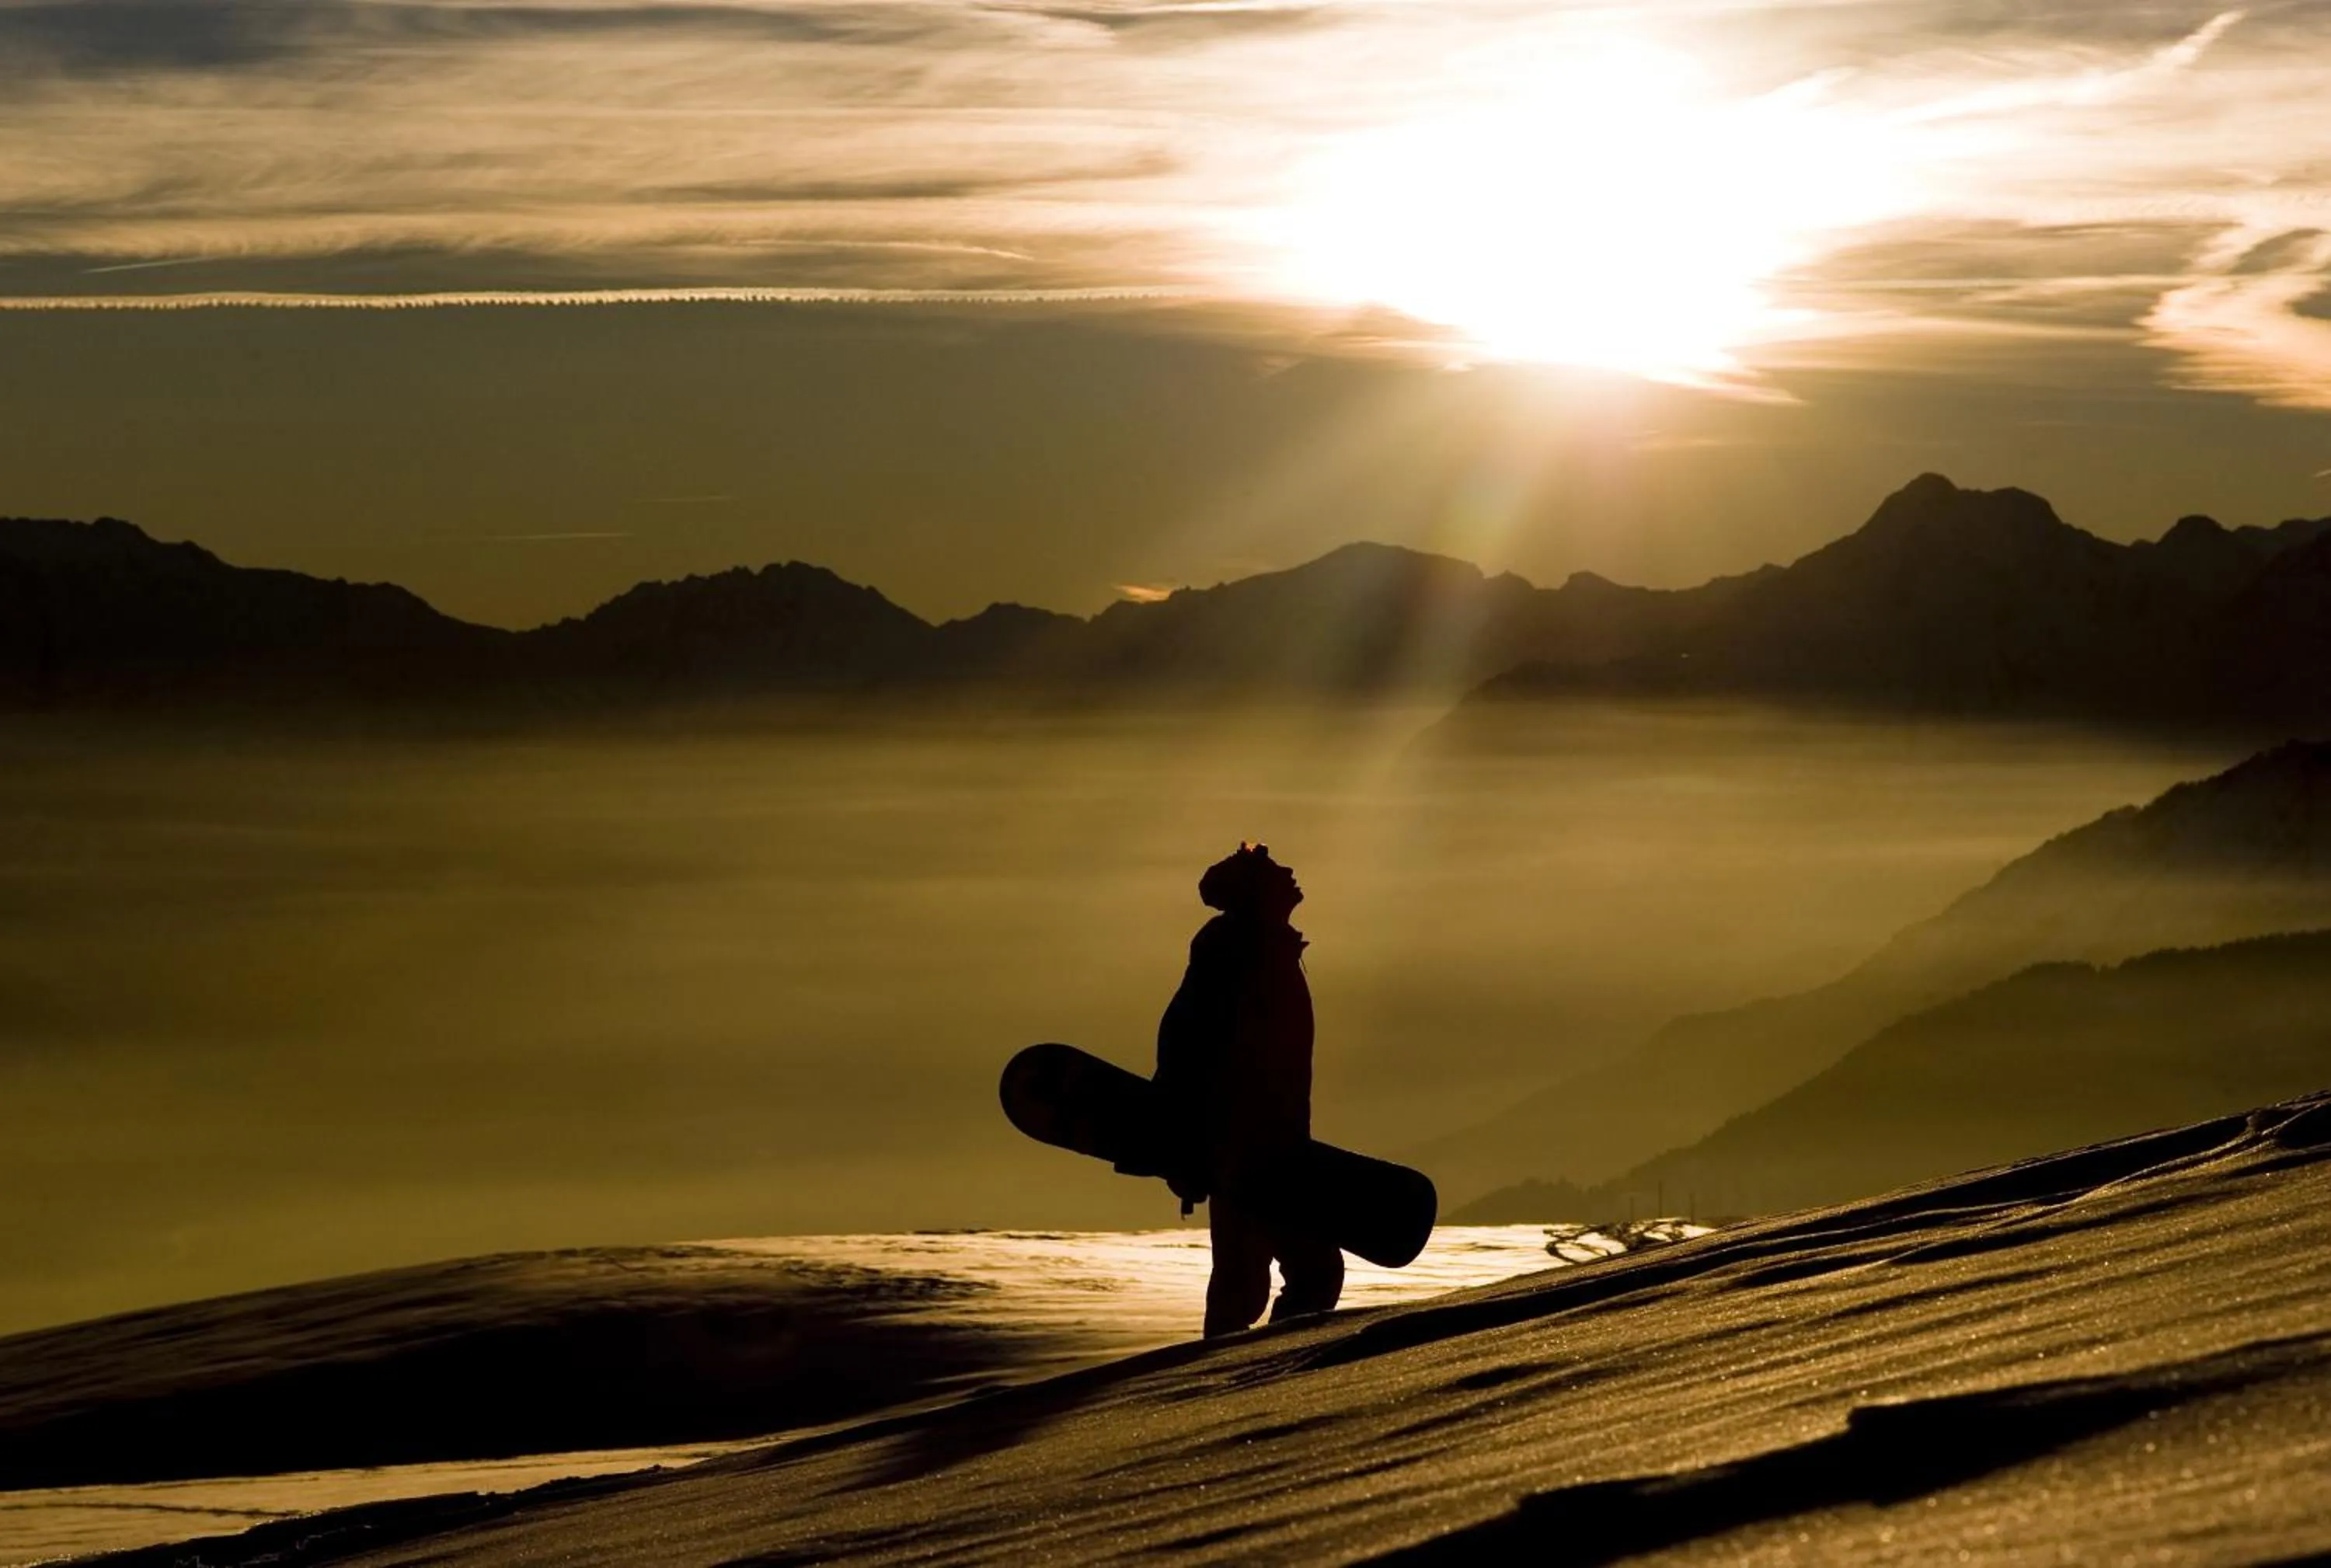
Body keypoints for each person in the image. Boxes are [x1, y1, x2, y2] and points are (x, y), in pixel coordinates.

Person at [1154, 841, 1345, 1337]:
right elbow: (1185, 1039)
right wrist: (1192, 1137)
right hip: (1249, 1145)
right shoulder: (1238, 951)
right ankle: (1256, 1381)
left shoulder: (1257, 947)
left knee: (1248, 1276)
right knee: (1307, 1269)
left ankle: (1231, 1382)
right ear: (1259, 893)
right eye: (1276, 870)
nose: (1291, 871)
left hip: (1257, 1143)